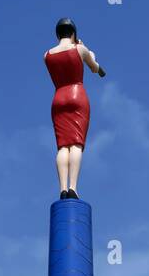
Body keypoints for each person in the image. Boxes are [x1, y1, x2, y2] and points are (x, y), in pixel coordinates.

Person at [44, 18, 106, 198]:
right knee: (76, 144)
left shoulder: (46, 55)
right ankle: (73, 187)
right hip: (76, 95)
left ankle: (62, 188)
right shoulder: (79, 49)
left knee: (63, 146)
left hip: (58, 99)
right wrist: (90, 53)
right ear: (73, 33)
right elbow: (95, 68)